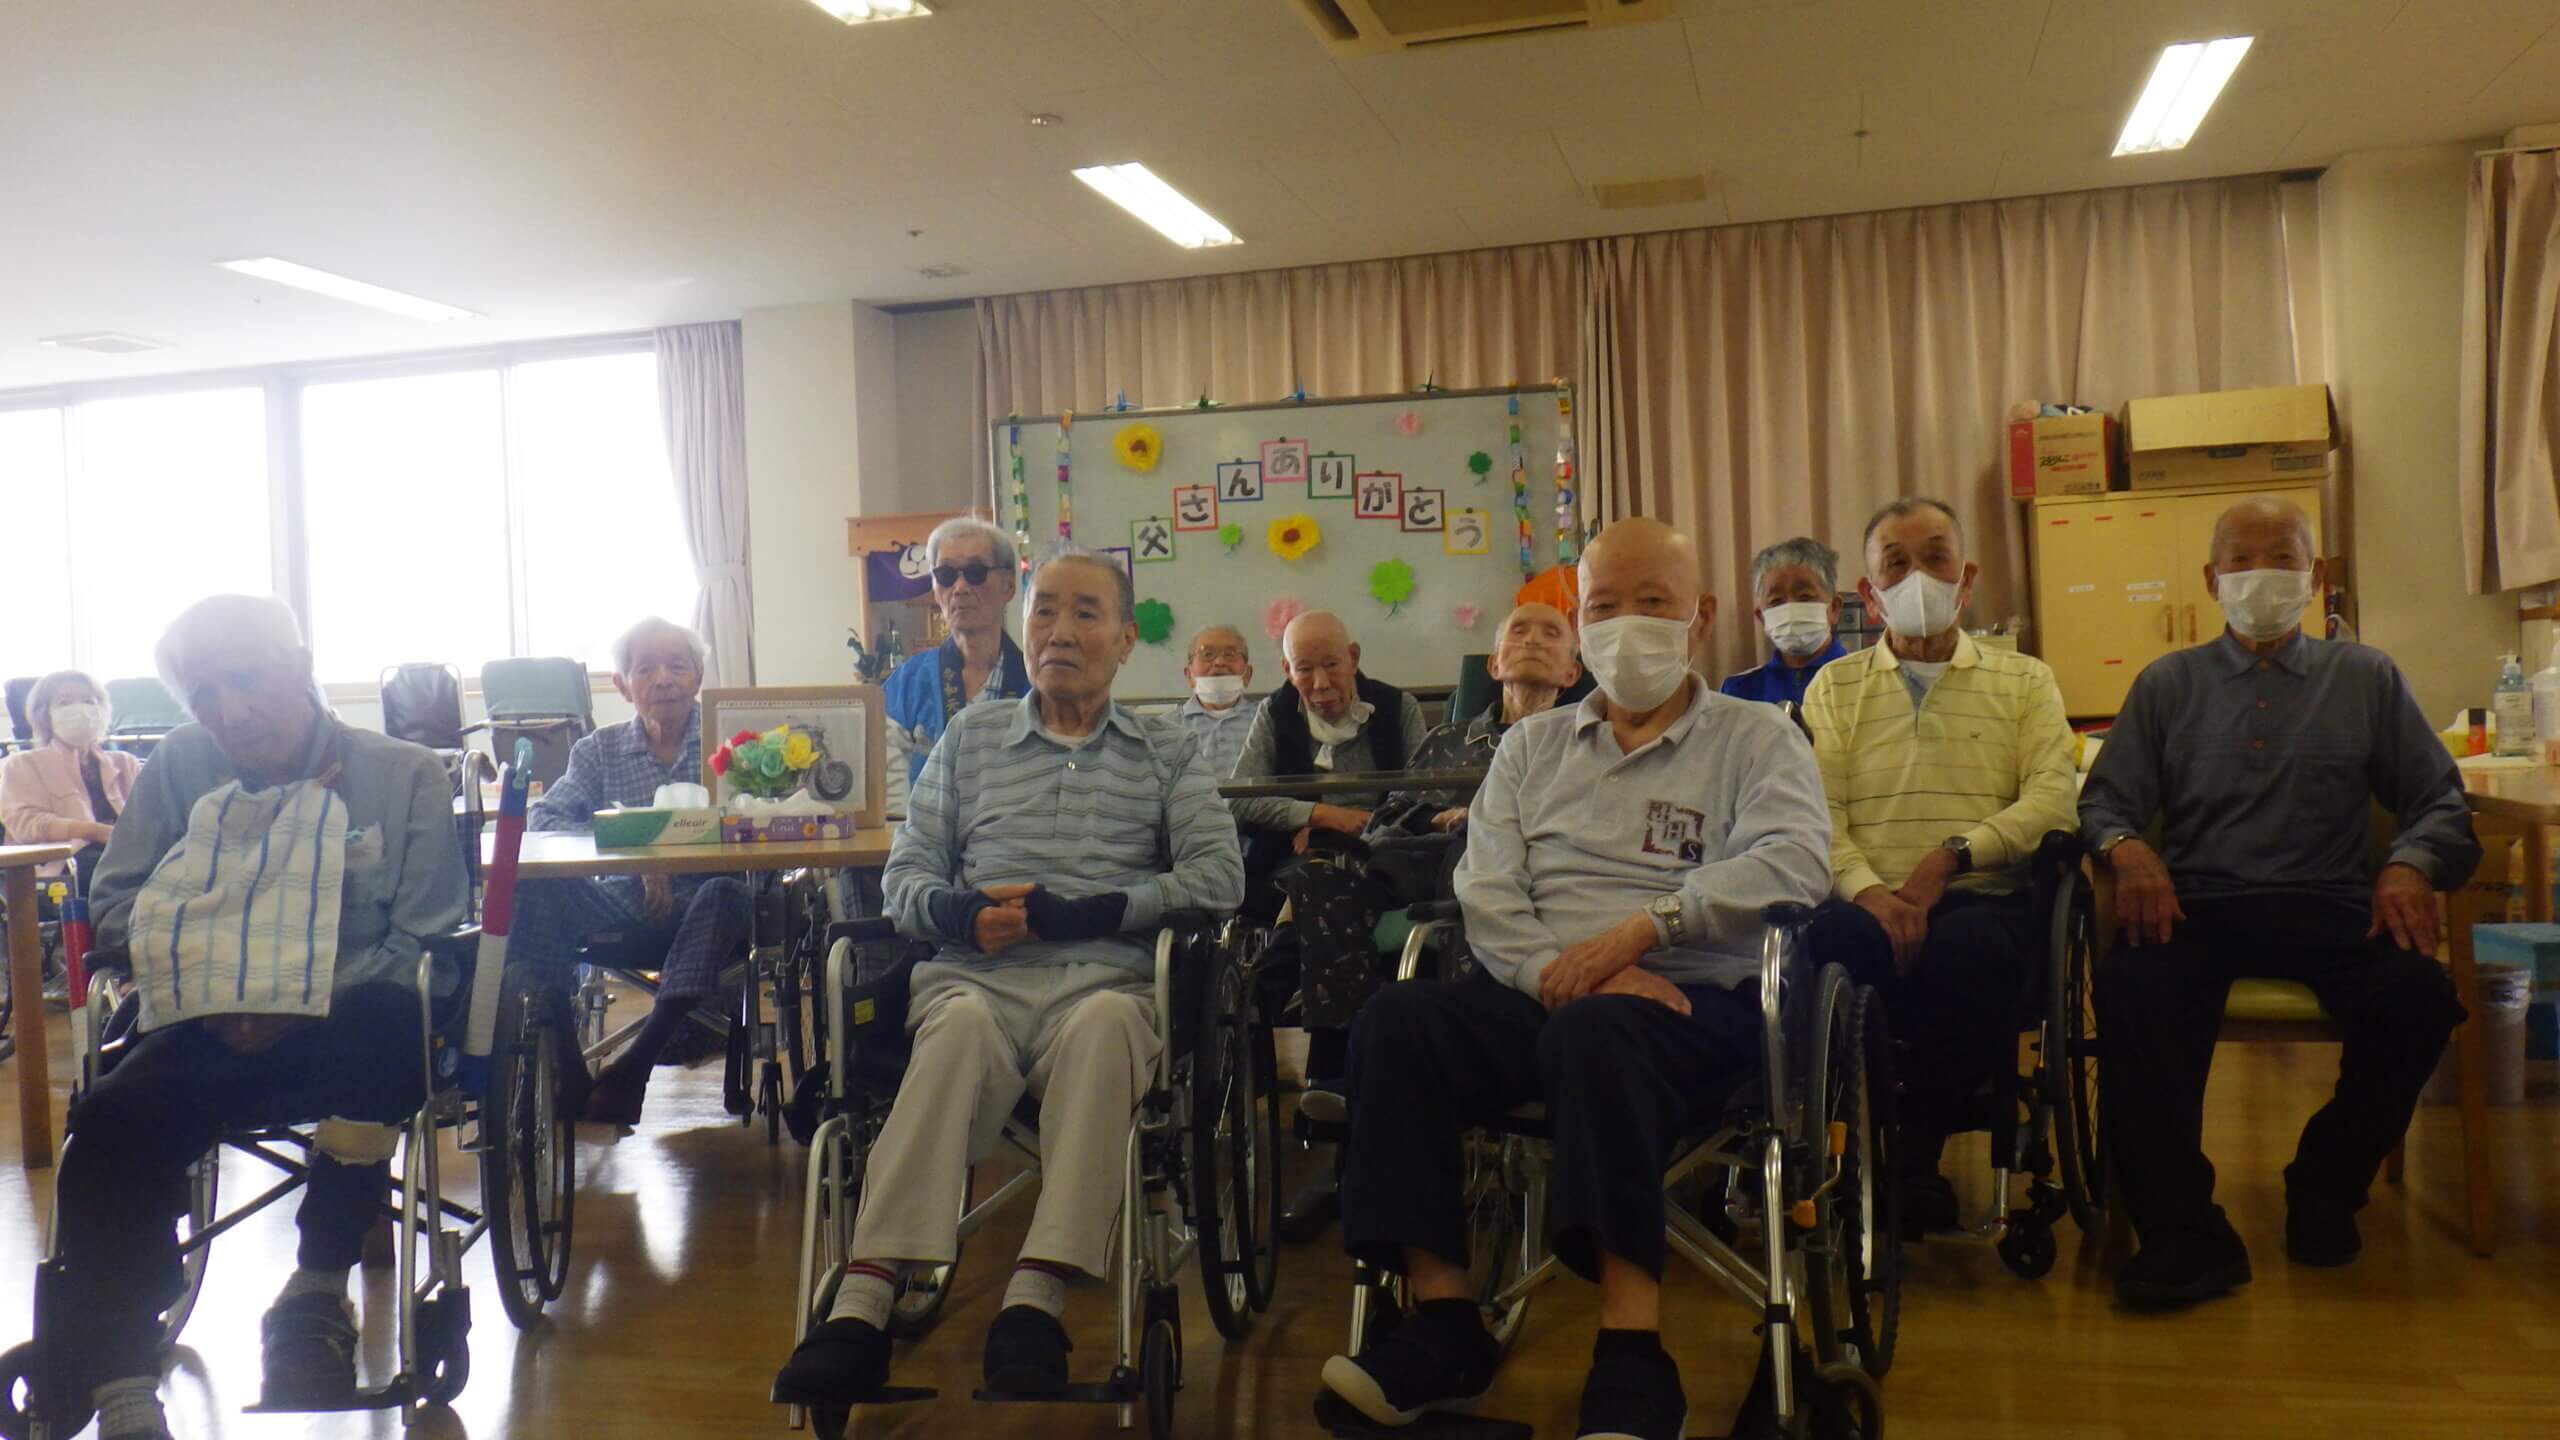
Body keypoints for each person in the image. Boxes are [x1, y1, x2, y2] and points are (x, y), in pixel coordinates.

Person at [1320, 519, 1831, 1440]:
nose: (1626, 624)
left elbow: (1795, 863)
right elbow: (1485, 884)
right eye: (1604, 606)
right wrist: (1561, 970)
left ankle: (1634, 1350)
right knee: (1396, 1019)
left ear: (1701, 616)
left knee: (1597, 1033)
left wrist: (1644, 929)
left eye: (1654, 604)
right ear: (1579, 622)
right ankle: (1442, 1321)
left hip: (1694, 1004)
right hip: (1540, 993)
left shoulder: (1758, 737)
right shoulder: (1532, 748)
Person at [770, 547, 1242, 1404]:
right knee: (950, 1038)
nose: (1061, 630)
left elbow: (1220, 879)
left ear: (1127, 638)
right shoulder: (972, 737)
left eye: (1086, 613)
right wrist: (961, 914)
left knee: (1103, 1033)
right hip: (974, 981)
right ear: (1025, 631)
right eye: (1047, 611)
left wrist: (1100, 909)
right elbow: (906, 877)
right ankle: (865, 1302)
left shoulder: (1164, 749)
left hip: (1106, 980)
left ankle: (1036, 1296)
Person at [55, 595, 467, 1440]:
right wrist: (221, 984)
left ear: (302, 667)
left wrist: (291, 990)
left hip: (352, 1027)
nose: (229, 710)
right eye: (203, 693)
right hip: (203, 1020)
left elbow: (423, 930)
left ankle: (316, 1287)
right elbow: (119, 902)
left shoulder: (401, 775)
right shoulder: (180, 767)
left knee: (389, 1011)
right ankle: (123, 1375)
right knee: (108, 1116)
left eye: (247, 680)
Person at [2080, 496, 2477, 1308]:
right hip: (2197, 902)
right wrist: (2130, 851)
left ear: (2316, 574)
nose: (2261, 577)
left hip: (2331, 901)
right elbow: (2103, 803)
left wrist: (2408, 864)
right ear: (2210, 578)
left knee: (2419, 997)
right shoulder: (2166, 685)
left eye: (2283, 558)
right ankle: (2183, 1230)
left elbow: (2440, 800)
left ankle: (2326, 1185)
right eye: (2240, 561)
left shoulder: (2366, 677)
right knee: (2130, 987)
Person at [1798, 499, 2077, 1233]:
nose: (1917, 574)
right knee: (1829, 947)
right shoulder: (1834, 687)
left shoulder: (2025, 681)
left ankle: (1911, 1158)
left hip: (1980, 895)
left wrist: (1951, 859)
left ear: (1967, 577)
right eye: (1896, 562)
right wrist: (1868, 890)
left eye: (1935, 557)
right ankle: (1855, 1138)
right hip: (1868, 899)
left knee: (1973, 951)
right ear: (1868, 591)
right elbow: (1815, 812)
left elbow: (2054, 799)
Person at [507, 617, 751, 1126]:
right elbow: (545, 820)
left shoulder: (731, 745)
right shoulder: (598, 750)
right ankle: (567, 1063)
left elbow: (761, 821)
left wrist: (673, 857)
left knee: (728, 893)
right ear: (622, 685)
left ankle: (635, 1066)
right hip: (625, 903)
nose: (663, 679)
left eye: (677, 666)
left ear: (698, 677)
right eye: (646, 669)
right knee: (533, 889)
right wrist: (636, 852)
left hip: (710, 910)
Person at [1227, 610, 1428, 879]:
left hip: (1388, 848)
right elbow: (1241, 801)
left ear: (1353, 658)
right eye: (1304, 670)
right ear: (1288, 670)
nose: (1320, 684)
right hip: (1297, 857)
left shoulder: (1400, 707)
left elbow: (1424, 796)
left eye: (1332, 665)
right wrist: (1320, 815)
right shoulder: (1275, 712)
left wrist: (1351, 829)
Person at [1387, 601, 1584, 832]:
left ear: (1571, 673)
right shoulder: (1446, 740)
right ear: (1494, 666)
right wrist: (1437, 819)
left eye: (1551, 633)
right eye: (1519, 631)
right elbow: (1388, 818)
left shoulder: (1585, 743)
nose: (1533, 640)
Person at [882, 517, 1031, 818]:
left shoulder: (1038, 680)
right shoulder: (908, 682)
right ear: (936, 588)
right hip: (922, 846)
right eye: (947, 575)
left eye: (975, 573)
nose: (960, 588)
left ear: (1008, 586)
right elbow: (886, 785)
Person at [0, 669, 137, 889]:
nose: (80, 710)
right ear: (45, 715)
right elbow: (26, 825)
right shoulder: (22, 764)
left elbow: (151, 820)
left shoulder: (125, 763)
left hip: (126, 855)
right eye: (64, 702)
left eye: (89, 701)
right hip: (63, 867)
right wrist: (93, 831)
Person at [1719, 537, 1847, 707]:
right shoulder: (1739, 690)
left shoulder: (1864, 681)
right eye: (1776, 600)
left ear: (1834, 609)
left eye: (1805, 597)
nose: (1790, 608)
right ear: (1761, 617)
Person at [1174, 624, 1258, 782]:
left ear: (1248, 674)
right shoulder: (1164, 727)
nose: (1219, 662)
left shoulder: (1268, 721)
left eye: (1230, 654)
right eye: (1207, 654)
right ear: (1188, 675)